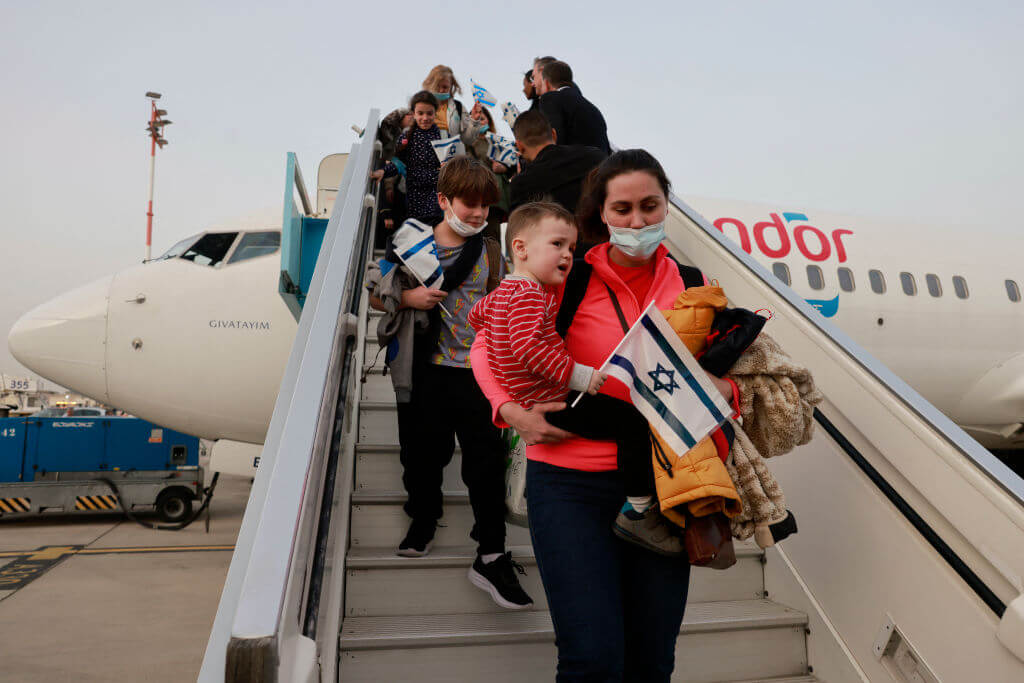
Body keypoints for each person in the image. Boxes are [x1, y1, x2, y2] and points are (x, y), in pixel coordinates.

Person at [470, 150, 739, 680]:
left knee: (652, 659)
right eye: (622, 209)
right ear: (603, 212)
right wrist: (508, 410)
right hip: (569, 486)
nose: (636, 222)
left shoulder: (691, 282)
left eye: (649, 206)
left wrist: (722, 386)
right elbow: (486, 342)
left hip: (664, 487)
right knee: (591, 658)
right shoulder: (566, 274)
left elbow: (735, 375)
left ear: (666, 206)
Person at [469, 201, 680, 554]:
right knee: (633, 420)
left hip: (535, 396)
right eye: (558, 245)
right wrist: (580, 375)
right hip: (554, 397)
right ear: (520, 248)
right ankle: (640, 510)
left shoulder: (505, 291)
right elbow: (527, 348)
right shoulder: (530, 295)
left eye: (571, 247)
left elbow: (477, 318)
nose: (568, 254)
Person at [373, 155, 534, 610]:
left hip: (481, 375)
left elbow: (503, 295)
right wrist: (409, 296)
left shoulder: (489, 250)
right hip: (425, 371)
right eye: (470, 204)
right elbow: (376, 294)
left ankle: (492, 551)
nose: (479, 214)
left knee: (485, 464)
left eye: (486, 206)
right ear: (444, 200)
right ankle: (423, 518)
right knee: (423, 455)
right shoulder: (408, 243)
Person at [509, 110, 606, 214]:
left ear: (519, 146)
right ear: (554, 134)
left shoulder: (521, 184)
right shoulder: (595, 156)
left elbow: (519, 226)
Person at [372, 91, 444, 226]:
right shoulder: (407, 136)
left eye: (430, 113)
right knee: (415, 230)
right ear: (413, 113)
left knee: (434, 228)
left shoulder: (442, 135)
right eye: (420, 113)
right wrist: (383, 171)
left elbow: (449, 162)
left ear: (435, 113)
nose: (425, 117)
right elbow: (399, 163)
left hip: (435, 192)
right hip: (413, 194)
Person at [538, 60, 610, 154]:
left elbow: (555, 143)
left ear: (547, 84)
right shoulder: (593, 109)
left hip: (572, 166)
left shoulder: (550, 98)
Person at [466, 105, 512, 241]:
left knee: (492, 238)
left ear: (489, 121)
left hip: (493, 198)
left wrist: (504, 168)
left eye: (483, 118)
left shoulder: (498, 142)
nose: (480, 121)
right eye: (476, 119)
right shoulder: (467, 143)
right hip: (473, 193)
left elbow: (513, 164)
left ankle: (494, 261)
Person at [421, 64, 485, 146]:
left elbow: (467, 140)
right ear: (430, 84)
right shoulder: (420, 105)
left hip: (451, 155)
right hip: (425, 155)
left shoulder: (458, 107)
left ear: (451, 87)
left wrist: (474, 121)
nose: (441, 90)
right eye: (437, 86)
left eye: (445, 87)